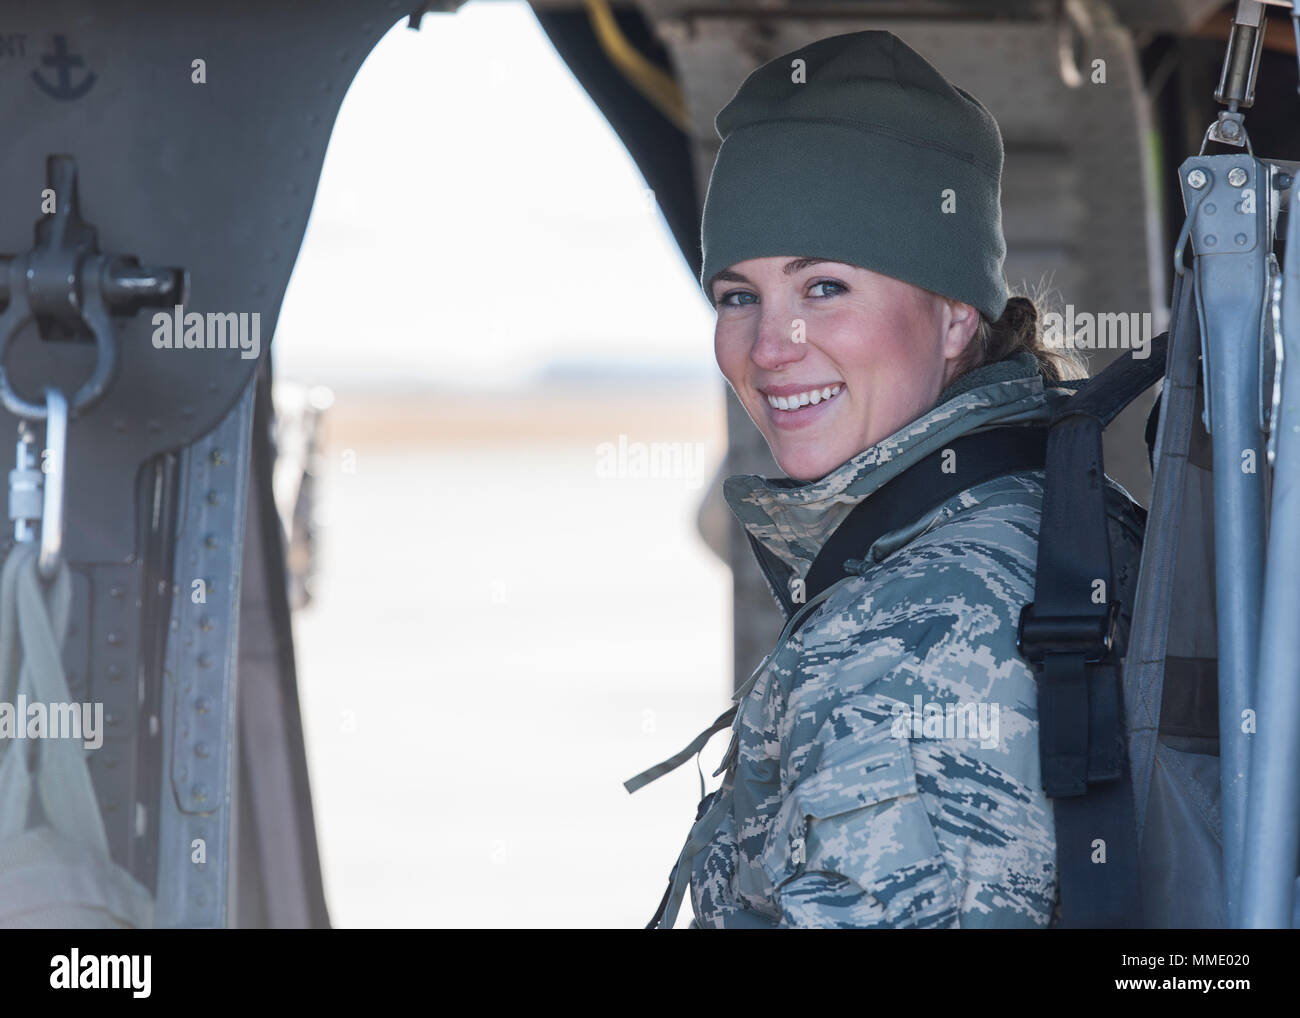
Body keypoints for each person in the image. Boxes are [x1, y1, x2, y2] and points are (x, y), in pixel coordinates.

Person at [654, 29, 1145, 928]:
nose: (771, 347)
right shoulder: (1048, 524)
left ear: (957, 315)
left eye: (825, 288)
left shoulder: (907, 633)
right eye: (738, 295)